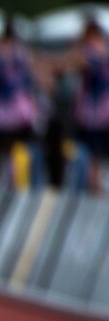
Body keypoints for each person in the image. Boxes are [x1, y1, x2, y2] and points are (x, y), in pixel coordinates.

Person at [0, 17, 44, 189]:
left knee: (4, 151)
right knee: (24, 149)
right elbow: (33, 79)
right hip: (22, 109)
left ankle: (5, 183)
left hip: (3, 110)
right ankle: (21, 182)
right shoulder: (22, 52)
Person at [61, 17, 109, 193]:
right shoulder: (105, 48)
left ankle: (95, 190)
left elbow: (66, 65)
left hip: (94, 114)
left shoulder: (89, 51)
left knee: (93, 158)